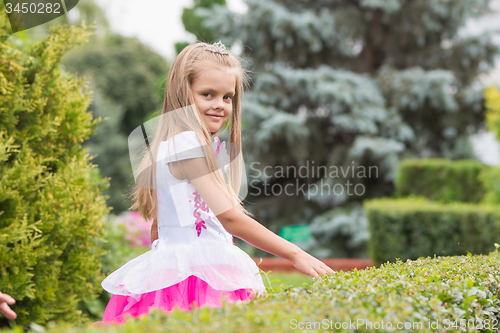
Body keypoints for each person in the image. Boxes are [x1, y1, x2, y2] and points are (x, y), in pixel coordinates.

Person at [94, 41, 334, 325]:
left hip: (176, 277)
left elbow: (159, 228)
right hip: (199, 278)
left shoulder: (175, 144)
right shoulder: (188, 143)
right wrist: (295, 254)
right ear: (183, 94)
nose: (220, 105)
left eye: (228, 97)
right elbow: (230, 218)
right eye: (207, 94)